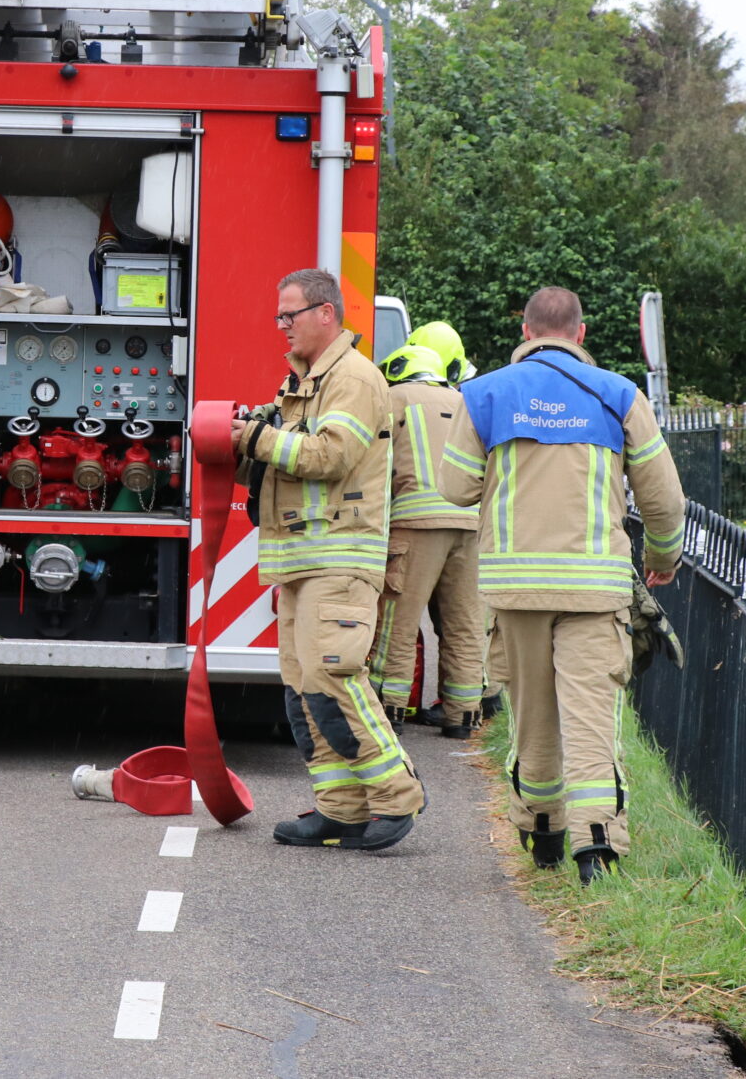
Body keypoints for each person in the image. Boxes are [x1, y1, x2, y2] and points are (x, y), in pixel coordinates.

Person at [441, 287, 686, 883]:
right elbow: (663, 500)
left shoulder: (484, 394)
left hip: (516, 590)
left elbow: (454, 489)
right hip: (593, 590)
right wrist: (662, 557)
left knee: (533, 718)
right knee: (591, 718)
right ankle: (596, 849)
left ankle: (543, 831)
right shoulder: (618, 395)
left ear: (526, 331)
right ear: (580, 334)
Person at [233, 268, 426, 852]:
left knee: (335, 679)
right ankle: (340, 808)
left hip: (339, 559)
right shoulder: (303, 383)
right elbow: (281, 462)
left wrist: (257, 439)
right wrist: (242, 441)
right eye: (279, 316)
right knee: (304, 688)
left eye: (288, 315)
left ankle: (397, 795)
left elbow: (330, 456)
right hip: (303, 560)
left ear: (326, 314)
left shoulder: (355, 379)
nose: (281, 326)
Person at [365, 342, 488, 740]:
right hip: (469, 526)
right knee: (464, 624)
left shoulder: (394, 399)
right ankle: (463, 716)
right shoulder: (465, 401)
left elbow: (375, 462)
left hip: (414, 526)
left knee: (397, 622)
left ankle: (390, 709)